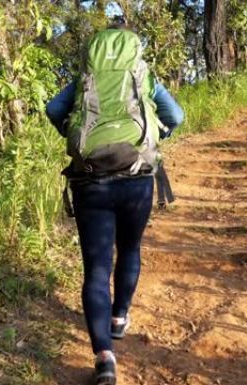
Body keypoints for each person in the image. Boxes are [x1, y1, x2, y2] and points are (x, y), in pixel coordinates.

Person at [45, 23, 184, 385]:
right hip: (137, 176)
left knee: (95, 267)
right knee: (130, 248)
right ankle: (120, 317)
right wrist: (154, 135)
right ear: (132, 48)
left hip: (90, 179)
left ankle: (105, 358)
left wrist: (74, 135)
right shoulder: (142, 76)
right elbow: (176, 117)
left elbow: (52, 109)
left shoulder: (86, 79)